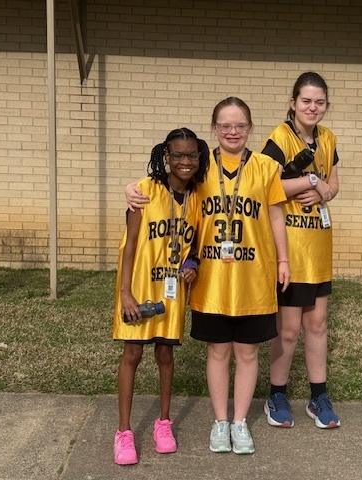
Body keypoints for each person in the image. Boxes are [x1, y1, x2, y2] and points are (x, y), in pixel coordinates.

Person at [126, 97, 290, 455]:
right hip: (211, 278)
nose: (233, 132)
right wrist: (131, 189)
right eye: (225, 126)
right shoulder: (200, 169)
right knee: (217, 351)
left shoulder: (265, 166)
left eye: (240, 126)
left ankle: (240, 422)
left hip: (253, 276)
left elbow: (276, 215)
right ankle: (219, 421)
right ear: (214, 128)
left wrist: (283, 259)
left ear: (250, 128)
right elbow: (163, 182)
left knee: (247, 353)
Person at [112, 128, 210, 465]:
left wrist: (193, 263)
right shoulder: (144, 191)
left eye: (191, 155)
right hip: (139, 284)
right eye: (178, 155)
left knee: (165, 354)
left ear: (200, 157)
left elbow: (195, 242)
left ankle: (163, 423)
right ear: (165, 156)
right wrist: (125, 292)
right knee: (133, 353)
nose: (185, 161)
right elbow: (129, 246)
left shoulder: (198, 196)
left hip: (170, 287)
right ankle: (123, 432)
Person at [260, 72, 341, 429]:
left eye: (319, 101)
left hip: (319, 243)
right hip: (290, 246)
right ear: (293, 103)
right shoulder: (279, 138)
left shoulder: (328, 138)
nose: (313, 107)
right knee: (289, 329)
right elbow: (266, 185)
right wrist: (308, 181)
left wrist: (324, 189)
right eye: (306, 100)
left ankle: (317, 395)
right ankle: (276, 393)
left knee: (318, 324)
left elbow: (334, 183)